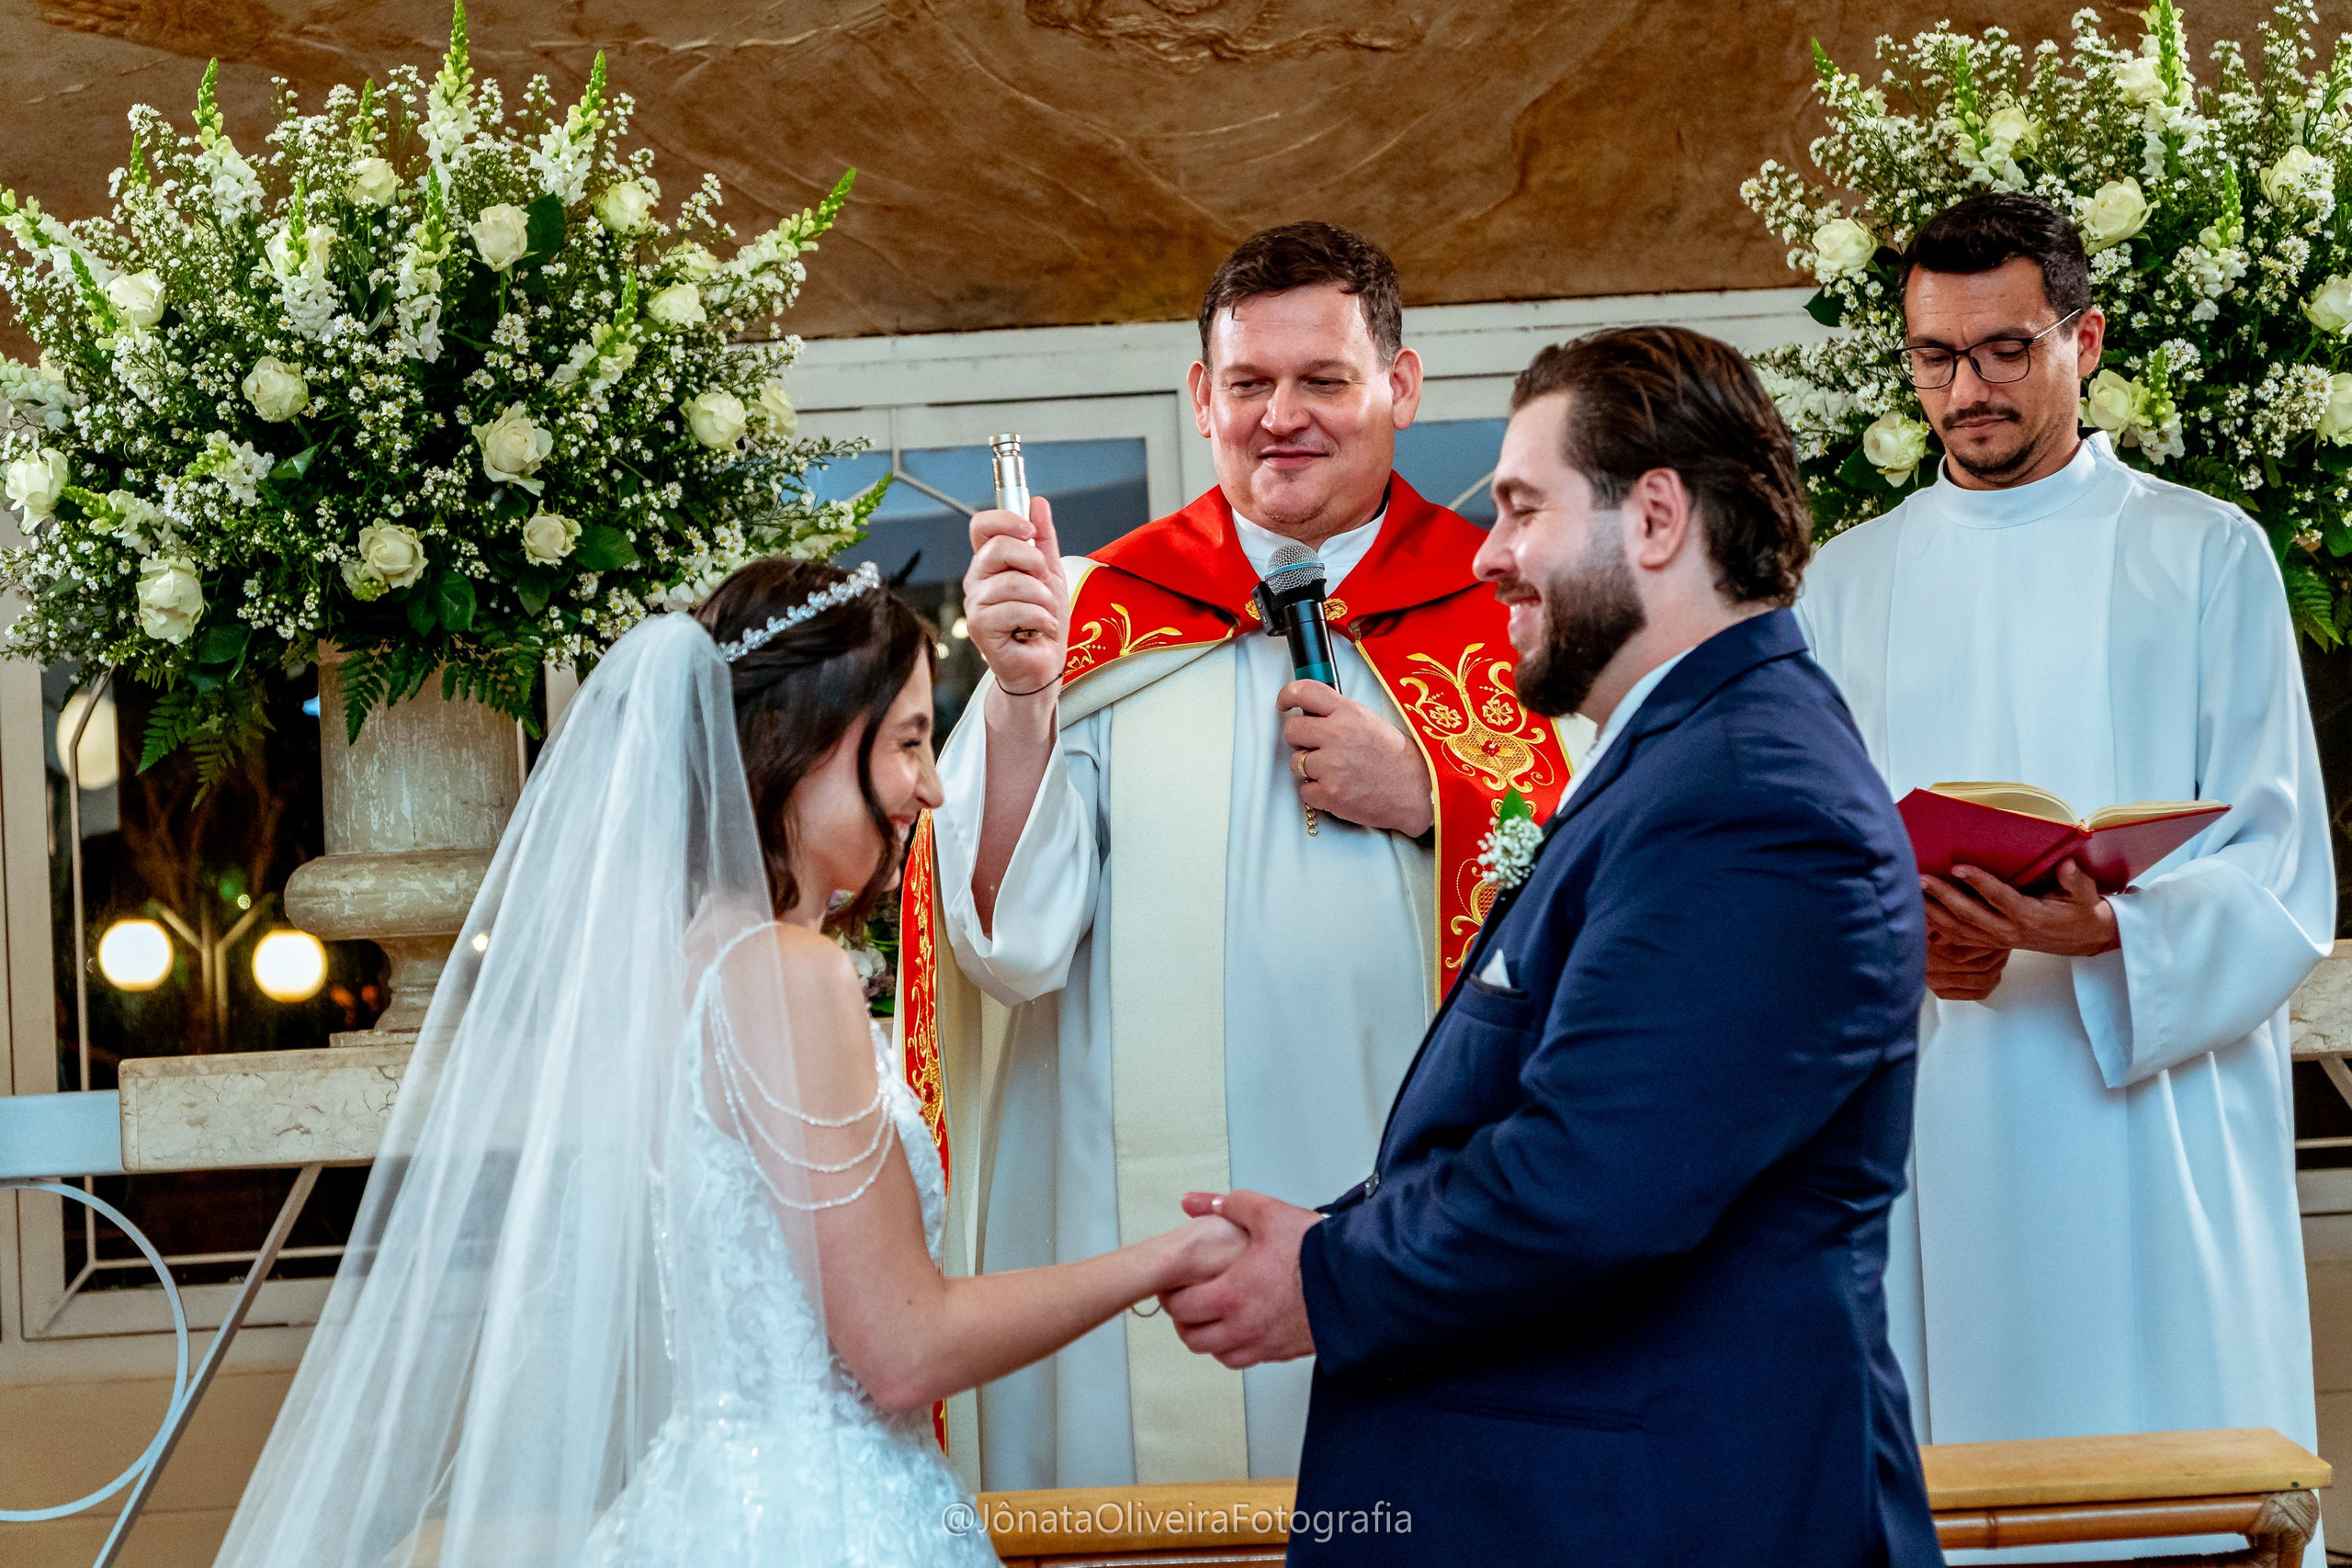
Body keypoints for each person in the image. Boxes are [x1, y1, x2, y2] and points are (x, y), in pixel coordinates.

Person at [211, 560, 1244, 1568]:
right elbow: (900, 1351)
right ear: (799, 743)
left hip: (704, 1498)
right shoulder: (788, 977)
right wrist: (1159, 1259)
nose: (928, 787)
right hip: (823, 1519)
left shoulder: (683, 964)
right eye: (909, 743)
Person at [1159, 326, 1942, 1566]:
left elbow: (1591, 1179)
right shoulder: (1683, 756)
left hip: (1662, 1514)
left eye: (1523, 507)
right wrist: (1328, 1229)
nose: (1491, 554)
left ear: (1655, 517)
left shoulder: (1755, 800)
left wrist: (1325, 1273)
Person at [901, 221, 1576, 1488]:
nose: (1284, 416)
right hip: (1152, 1224)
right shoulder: (1099, 611)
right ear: (1202, 397)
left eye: (1323, 379)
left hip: (1429, 1218)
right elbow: (1010, 943)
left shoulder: (1513, 618)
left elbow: (1615, 894)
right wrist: (1019, 702)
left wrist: (1438, 796)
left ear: (1402, 386)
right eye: (1250, 384)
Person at [1799, 192, 2333, 1564]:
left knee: (2175, 1492)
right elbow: (1801, 863)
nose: (1965, 388)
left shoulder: (2207, 553)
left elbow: (2281, 868)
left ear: (2082, 339)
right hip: (1941, 1091)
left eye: (2004, 349)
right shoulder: (1843, 586)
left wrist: (2102, 930)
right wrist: (1901, 945)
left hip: (2153, 1123)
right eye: (1934, 356)